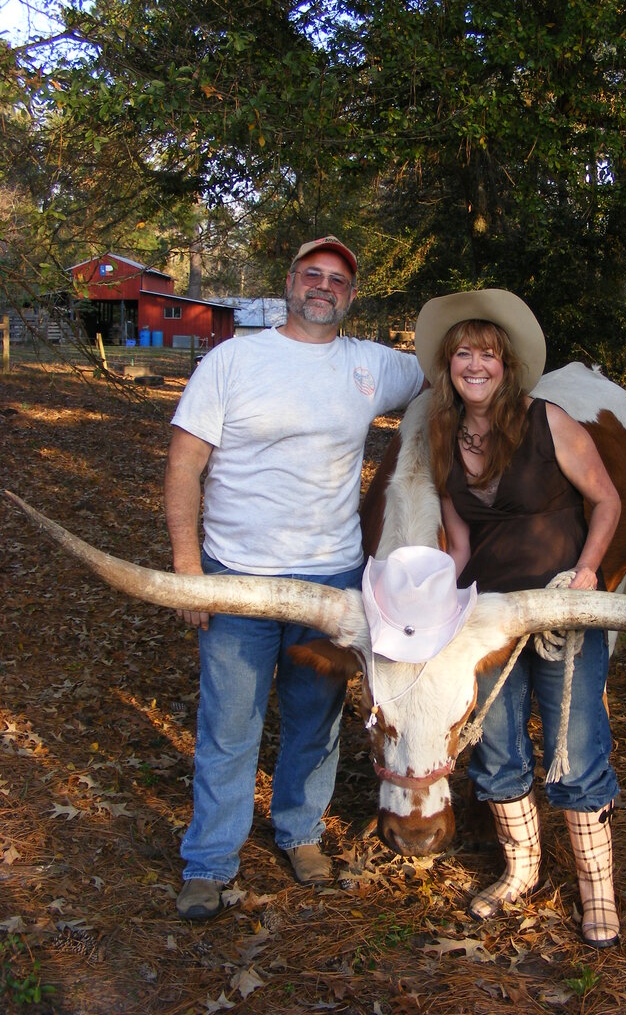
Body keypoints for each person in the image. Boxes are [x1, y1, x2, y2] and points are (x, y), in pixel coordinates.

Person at [165, 235, 425, 920]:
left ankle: (301, 832)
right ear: (288, 281)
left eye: (337, 280)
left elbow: (458, 371)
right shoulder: (232, 362)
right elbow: (185, 463)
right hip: (237, 577)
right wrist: (188, 569)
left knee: (316, 719)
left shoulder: (372, 366)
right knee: (230, 722)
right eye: (313, 274)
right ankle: (210, 861)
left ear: (350, 295)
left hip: (330, 582)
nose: (323, 286)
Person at [413, 289, 623, 948]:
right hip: (490, 623)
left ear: (507, 365)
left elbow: (608, 500)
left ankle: (598, 895)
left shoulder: (548, 421)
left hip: (562, 609)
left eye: (489, 354)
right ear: (448, 365)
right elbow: (463, 544)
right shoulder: (443, 436)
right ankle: (521, 872)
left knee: (576, 754)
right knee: (499, 754)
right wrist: (441, 598)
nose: (476, 364)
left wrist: (587, 573)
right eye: (464, 353)